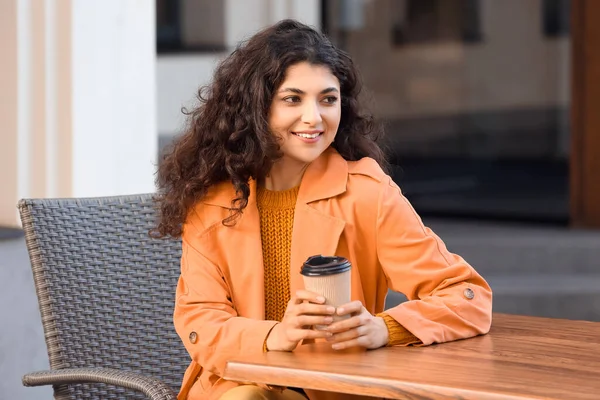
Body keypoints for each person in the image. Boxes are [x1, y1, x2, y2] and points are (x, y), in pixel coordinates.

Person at [153, 19, 492, 400]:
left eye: (328, 99)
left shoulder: (367, 192)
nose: (314, 117)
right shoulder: (212, 203)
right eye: (293, 99)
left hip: (334, 390)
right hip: (234, 385)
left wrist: (385, 328)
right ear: (256, 108)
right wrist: (275, 335)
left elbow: (465, 294)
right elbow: (201, 320)